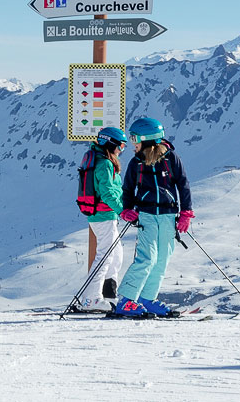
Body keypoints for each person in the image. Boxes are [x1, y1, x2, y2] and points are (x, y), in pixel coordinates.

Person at [111, 117, 194, 317]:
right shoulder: (136, 162)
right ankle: (127, 300)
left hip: (168, 215)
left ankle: (147, 299)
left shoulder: (171, 159)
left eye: (135, 139)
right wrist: (126, 209)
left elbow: (183, 185)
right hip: (146, 216)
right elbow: (128, 189)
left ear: (148, 138)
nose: (133, 143)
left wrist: (186, 213)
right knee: (147, 258)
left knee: (162, 259)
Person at [75, 127, 128, 311]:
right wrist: (123, 210)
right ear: (111, 143)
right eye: (121, 145)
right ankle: (91, 299)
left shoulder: (98, 159)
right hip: (104, 215)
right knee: (105, 255)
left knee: (115, 255)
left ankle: (108, 294)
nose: (122, 149)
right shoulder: (104, 163)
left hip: (103, 215)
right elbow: (107, 192)